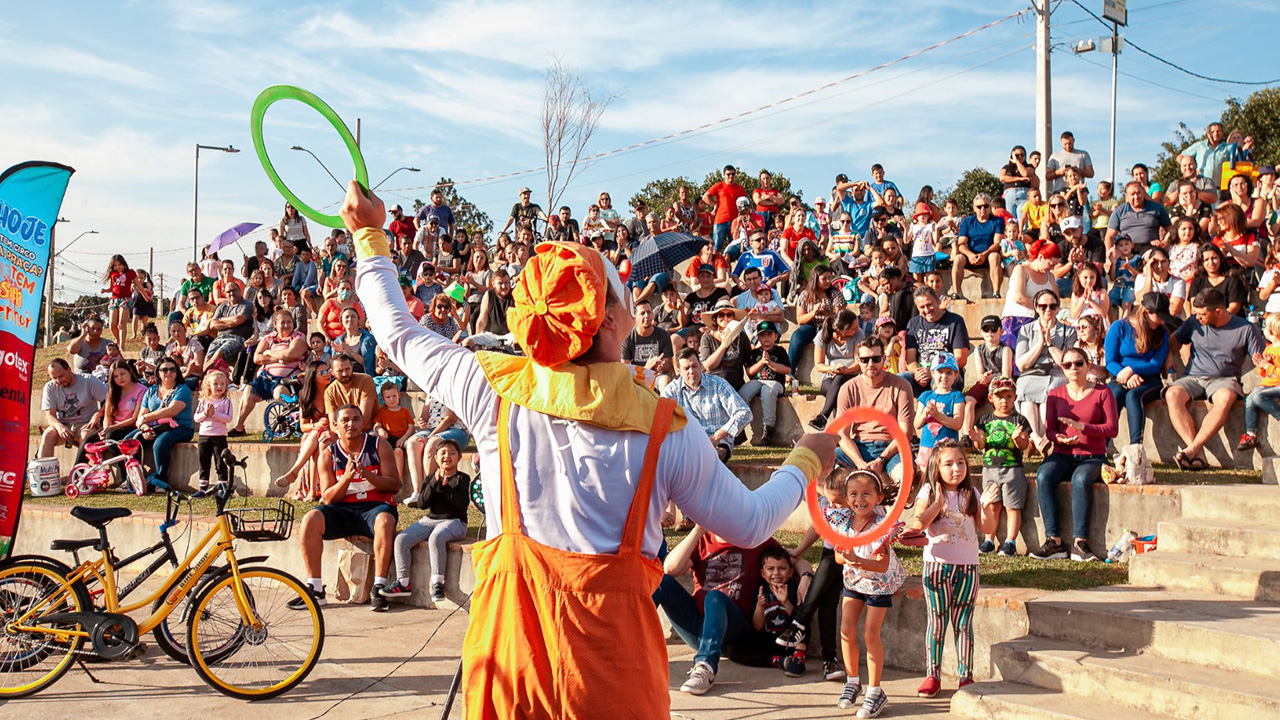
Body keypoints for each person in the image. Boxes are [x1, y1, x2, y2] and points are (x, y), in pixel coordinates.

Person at [342, 180, 836, 714]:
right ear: (606, 321)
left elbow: (397, 332)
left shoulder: (489, 387)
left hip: (511, 665)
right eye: (620, 294)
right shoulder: (662, 426)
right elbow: (752, 522)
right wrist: (807, 456)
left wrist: (370, 236)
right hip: (613, 678)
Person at [910, 439, 1001, 698]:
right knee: (936, 623)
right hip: (936, 567)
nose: (955, 469)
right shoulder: (928, 491)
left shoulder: (971, 492)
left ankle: (965, 675)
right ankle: (932, 675)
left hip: (968, 566)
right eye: (948, 464)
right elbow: (918, 523)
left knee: (963, 623)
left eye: (960, 463)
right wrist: (937, 505)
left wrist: (986, 508)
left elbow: (987, 528)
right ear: (936, 468)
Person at [295, 404, 401, 611]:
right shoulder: (328, 455)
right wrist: (346, 478)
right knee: (310, 520)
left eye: (355, 419)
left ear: (363, 423)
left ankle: (378, 586)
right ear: (335, 426)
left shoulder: (379, 445)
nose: (350, 424)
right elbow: (328, 498)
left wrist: (367, 474)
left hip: (376, 508)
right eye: (345, 420)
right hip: (344, 510)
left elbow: (394, 485)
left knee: (385, 521)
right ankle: (315, 589)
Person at [1028, 348, 1118, 562]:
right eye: (1067, 365)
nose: (1073, 368)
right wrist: (1060, 439)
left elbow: (1112, 428)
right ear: (1062, 369)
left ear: (1088, 365)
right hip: (1063, 453)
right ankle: (1054, 541)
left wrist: (1083, 427)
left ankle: (1080, 543)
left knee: (1081, 479)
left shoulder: (1103, 392)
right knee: (1044, 475)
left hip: (1093, 455)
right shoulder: (1054, 395)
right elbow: (1050, 431)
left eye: (1078, 363)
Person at [1165, 288, 1266, 470]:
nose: (1198, 318)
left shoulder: (1245, 328)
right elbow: (1175, 338)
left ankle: (1192, 450)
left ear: (1218, 312)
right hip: (1193, 377)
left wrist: (1265, 367)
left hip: (1224, 379)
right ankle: (1197, 452)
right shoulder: (1194, 323)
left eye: (1202, 314)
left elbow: (1261, 358)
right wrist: (1169, 357)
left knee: (1226, 397)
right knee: (1172, 394)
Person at [835, 469, 907, 716]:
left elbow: (882, 564)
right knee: (846, 630)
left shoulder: (881, 526)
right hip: (854, 583)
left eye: (866, 493)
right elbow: (837, 555)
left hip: (878, 584)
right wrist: (846, 557)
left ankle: (875, 691)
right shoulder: (843, 521)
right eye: (854, 494)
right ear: (846, 498)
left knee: (870, 634)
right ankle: (852, 681)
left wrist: (857, 560)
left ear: (878, 498)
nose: (860, 499)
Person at [778, 470, 850, 685]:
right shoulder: (828, 505)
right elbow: (818, 527)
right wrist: (797, 552)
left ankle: (799, 622)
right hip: (832, 556)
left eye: (838, 503)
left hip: (853, 559)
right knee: (827, 602)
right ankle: (830, 661)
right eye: (830, 501)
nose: (833, 507)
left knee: (830, 564)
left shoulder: (862, 506)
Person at [382, 437, 470, 604]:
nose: (447, 457)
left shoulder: (462, 478)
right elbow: (422, 503)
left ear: (459, 457)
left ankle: (437, 583)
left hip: (455, 521)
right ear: (436, 458)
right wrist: (435, 483)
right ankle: (403, 582)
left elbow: (461, 504)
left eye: (452, 453)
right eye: (443, 453)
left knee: (436, 537)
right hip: (431, 519)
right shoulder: (430, 478)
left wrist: (446, 487)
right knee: (402, 538)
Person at [968, 376, 1031, 557]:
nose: (1004, 401)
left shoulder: (1019, 420)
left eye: (1008, 397)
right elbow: (981, 446)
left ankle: (1010, 542)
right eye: (999, 397)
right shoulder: (984, 420)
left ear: (1015, 397)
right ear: (991, 399)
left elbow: (1024, 446)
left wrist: (1017, 438)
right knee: (993, 505)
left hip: (1013, 469)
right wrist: (978, 440)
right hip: (990, 468)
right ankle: (989, 539)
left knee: (1013, 507)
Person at [835, 337, 914, 480]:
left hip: (892, 448)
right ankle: (827, 502)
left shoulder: (901, 386)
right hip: (859, 446)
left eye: (876, 359)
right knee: (817, 463)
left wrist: (882, 460)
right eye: (865, 360)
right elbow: (842, 434)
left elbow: (905, 433)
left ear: (884, 359)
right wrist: (859, 462)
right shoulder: (848, 388)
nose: (871, 364)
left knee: (904, 475)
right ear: (857, 360)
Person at [662, 348, 752, 463]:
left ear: (700, 365)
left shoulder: (718, 384)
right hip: (686, 443)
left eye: (694, 366)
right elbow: (661, 419)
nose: (691, 371)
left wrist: (717, 436)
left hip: (718, 443)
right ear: (679, 371)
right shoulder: (671, 391)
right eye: (686, 368)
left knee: (706, 459)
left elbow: (744, 412)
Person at [1015, 289, 1077, 454]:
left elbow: (1068, 364)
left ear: (1058, 308)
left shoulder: (1068, 331)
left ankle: (1037, 441)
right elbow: (1021, 364)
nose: (1048, 310)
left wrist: (1050, 344)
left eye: (1052, 306)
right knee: (1026, 399)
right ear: (1036, 308)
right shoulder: (1026, 330)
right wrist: (1040, 344)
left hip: (1055, 373)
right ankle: (1036, 438)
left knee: (1046, 402)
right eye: (1043, 306)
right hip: (1031, 374)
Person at [126, 357, 195, 490]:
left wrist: (145, 418)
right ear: (158, 373)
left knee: (160, 443)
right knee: (129, 441)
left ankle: (160, 478)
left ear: (177, 373)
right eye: (164, 370)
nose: (168, 372)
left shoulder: (182, 390)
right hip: (155, 426)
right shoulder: (151, 391)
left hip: (181, 427)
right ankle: (132, 478)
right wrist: (145, 427)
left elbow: (171, 411)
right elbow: (141, 416)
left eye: (172, 369)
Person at [273, 360, 333, 501]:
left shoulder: (333, 392)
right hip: (315, 434)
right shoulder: (306, 398)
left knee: (317, 438)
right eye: (322, 372)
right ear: (313, 377)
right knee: (315, 438)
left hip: (331, 433)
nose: (327, 374)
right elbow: (303, 426)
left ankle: (295, 473)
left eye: (328, 371)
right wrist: (316, 425)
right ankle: (312, 491)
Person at [75, 360, 146, 473]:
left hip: (131, 426)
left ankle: (126, 475)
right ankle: (76, 476)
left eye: (122, 374)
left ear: (130, 372)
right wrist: (106, 429)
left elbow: (134, 418)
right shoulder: (113, 391)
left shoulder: (141, 390)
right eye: (116, 376)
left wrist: (110, 429)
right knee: (87, 441)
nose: (120, 378)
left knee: (111, 437)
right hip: (112, 427)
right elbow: (108, 414)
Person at [902, 286, 970, 397]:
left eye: (929, 305)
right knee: (900, 380)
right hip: (921, 375)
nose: (927, 310)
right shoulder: (913, 323)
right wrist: (919, 373)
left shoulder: (955, 322)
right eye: (922, 307)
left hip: (947, 373)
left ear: (938, 300)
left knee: (940, 382)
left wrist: (933, 372)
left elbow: (961, 359)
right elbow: (910, 359)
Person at [39, 358, 108, 461]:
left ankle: (80, 472)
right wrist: (59, 426)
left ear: (69, 369)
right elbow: (50, 415)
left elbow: (110, 399)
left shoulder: (88, 380)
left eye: (61, 376)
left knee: (85, 436)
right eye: (54, 378)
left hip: (86, 424)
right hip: (64, 425)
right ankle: (43, 472)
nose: (59, 381)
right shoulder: (50, 387)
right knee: (48, 435)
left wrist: (99, 413)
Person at [808, 310, 865, 431]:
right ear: (841, 331)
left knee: (839, 381)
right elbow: (818, 365)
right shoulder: (823, 335)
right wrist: (833, 369)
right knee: (838, 390)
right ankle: (838, 432)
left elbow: (858, 363)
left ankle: (824, 417)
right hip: (829, 377)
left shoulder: (859, 334)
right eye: (853, 328)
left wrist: (845, 371)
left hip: (851, 375)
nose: (857, 329)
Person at [740, 321, 790, 446]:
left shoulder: (780, 351)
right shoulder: (755, 353)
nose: (766, 338)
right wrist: (762, 362)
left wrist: (771, 364)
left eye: (769, 335)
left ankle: (768, 428)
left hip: (775, 382)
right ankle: (742, 423)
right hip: (757, 380)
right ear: (758, 337)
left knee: (768, 392)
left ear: (776, 336)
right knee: (743, 392)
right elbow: (749, 371)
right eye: (762, 335)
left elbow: (787, 370)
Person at [914, 353, 967, 471]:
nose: (944, 376)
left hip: (947, 449)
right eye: (940, 372)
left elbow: (957, 424)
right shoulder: (925, 396)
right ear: (932, 373)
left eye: (949, 373)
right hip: (927, 447)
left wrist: (937, 415)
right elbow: (917, 424)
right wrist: (924, 414)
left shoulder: (956, 396)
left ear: (956, 375)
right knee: (926, 480)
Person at [952, 193, 1005, 300]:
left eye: (986, 206)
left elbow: (997, 243)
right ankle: (956, 292)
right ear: (974, 208)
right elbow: (961, 244)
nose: (982, 209)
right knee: (958, 259)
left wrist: (984, 255)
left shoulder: (998, 221)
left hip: (988, 255)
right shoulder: (967, 222)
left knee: (995, 257)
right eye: (979, 206)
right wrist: (970, 255)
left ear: (990, 207)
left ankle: (996, 292)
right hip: (970, 256)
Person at [1240, 313, 1280, 451]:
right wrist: (1260, 365)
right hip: (1269, 384)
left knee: (1258, 397)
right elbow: (1265, 374)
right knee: (1250, 398)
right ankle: (1251, 434)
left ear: (1271, 331)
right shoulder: (1269, 349)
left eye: (1264, 327)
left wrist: (1267, 366)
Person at [1105, 182, 1171, 257]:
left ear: (1143, 192)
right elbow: (1109, 236)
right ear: (1126, 196)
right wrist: (1109, 255)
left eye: (1138, 193)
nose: (1136, 197)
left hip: (1150, 248)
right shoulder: (1119, 211)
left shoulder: (1157, 208)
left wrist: (1163, 242)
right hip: (1126, 249)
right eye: (1132, 194)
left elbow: (1170, 230)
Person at [193, 369, 233, 491]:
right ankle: (203, 488)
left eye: (222, 384)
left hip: (219, 437)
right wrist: (206, 413)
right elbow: (196, 418)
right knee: (204, 462)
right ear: (208, 386)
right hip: (204, 436)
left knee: (220, 462)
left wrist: (214, 413)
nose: (219, 386)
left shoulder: (226, 402)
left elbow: (228, 418)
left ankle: (223, 487)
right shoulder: (204, 401)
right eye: (215, 384)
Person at [621, 299, 674, 388]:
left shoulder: (664, 335)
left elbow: (668, 365)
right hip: (635, 378)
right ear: (635, 317)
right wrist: (645, 368)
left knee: (665, 380)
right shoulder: (627, 337)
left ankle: (663, 402)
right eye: (642, 313)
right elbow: (624, 368)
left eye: (649, 312)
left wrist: (661, 366)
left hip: (656, 376)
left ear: (653, 314)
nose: (646, 316)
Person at [1187, 243, 1248, 318]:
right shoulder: (1198, 280)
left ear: (1220, 259)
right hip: (1204, 322)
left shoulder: (1232, 279)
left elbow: (1234, 308)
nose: (1211, 263)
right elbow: (1194, 309)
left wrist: (1216, 319)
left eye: (1214, 258)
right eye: (1206, 260)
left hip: (1229, 322)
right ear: (1202, 263)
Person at [324, 352, 378, 433]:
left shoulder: (366, 380)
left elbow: (364, 418)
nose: (345, 373)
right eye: (340, 371)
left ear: (352, 367)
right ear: (332, 372)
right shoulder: (329, 391)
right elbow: (333, 424)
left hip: (365, 430)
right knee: (324, 440)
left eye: (347, 369)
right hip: (343, 433)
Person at [373, 383, 414, 483]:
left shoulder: (404, 411)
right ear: (383, 398)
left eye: (394, 396)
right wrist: (380, 430)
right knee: (373, 439)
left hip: (400, 439)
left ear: (399, 395)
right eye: (388, 397)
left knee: (398, 452)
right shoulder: (382, 411)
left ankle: (397, 480)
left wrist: (404, 438)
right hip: (387, 437)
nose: (392, 399)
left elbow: (411, 427)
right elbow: (376, 425)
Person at [703, 165, 748, 251]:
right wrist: (714, 204)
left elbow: (745, 204)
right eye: (728, 174)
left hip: (735, 221)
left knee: (735, 246)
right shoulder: (718, 186)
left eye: (733, 174)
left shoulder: (739, 189)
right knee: (716, 247)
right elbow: (705, 197)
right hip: (720, 220)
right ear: (724, 175)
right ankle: (714, 264)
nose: (730, 176)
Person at [101, 254, 143, 346]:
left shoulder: (130, 273)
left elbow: (138, 286)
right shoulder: (113, 274)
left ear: (124, 264)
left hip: (126, 299)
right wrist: (105, 291)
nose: (118, 267)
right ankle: (118, 339)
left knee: (121, 323)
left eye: (119, 265)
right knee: (112, 325)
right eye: (115, 265)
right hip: (114, 299)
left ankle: (122, 346)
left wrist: (145, 295)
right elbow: (111, 288)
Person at [1045, 130, 1094, 195]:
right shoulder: (1055, 156)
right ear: (1061, 142)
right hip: (1060, 191)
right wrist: (1058, 172)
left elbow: (1090, 173)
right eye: (1065, 144)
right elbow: (1047, 176)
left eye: (1070, 143)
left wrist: (1077, 170)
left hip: (1079, 192)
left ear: (1073, 141)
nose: (1068, 146)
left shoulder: (1083, 154)